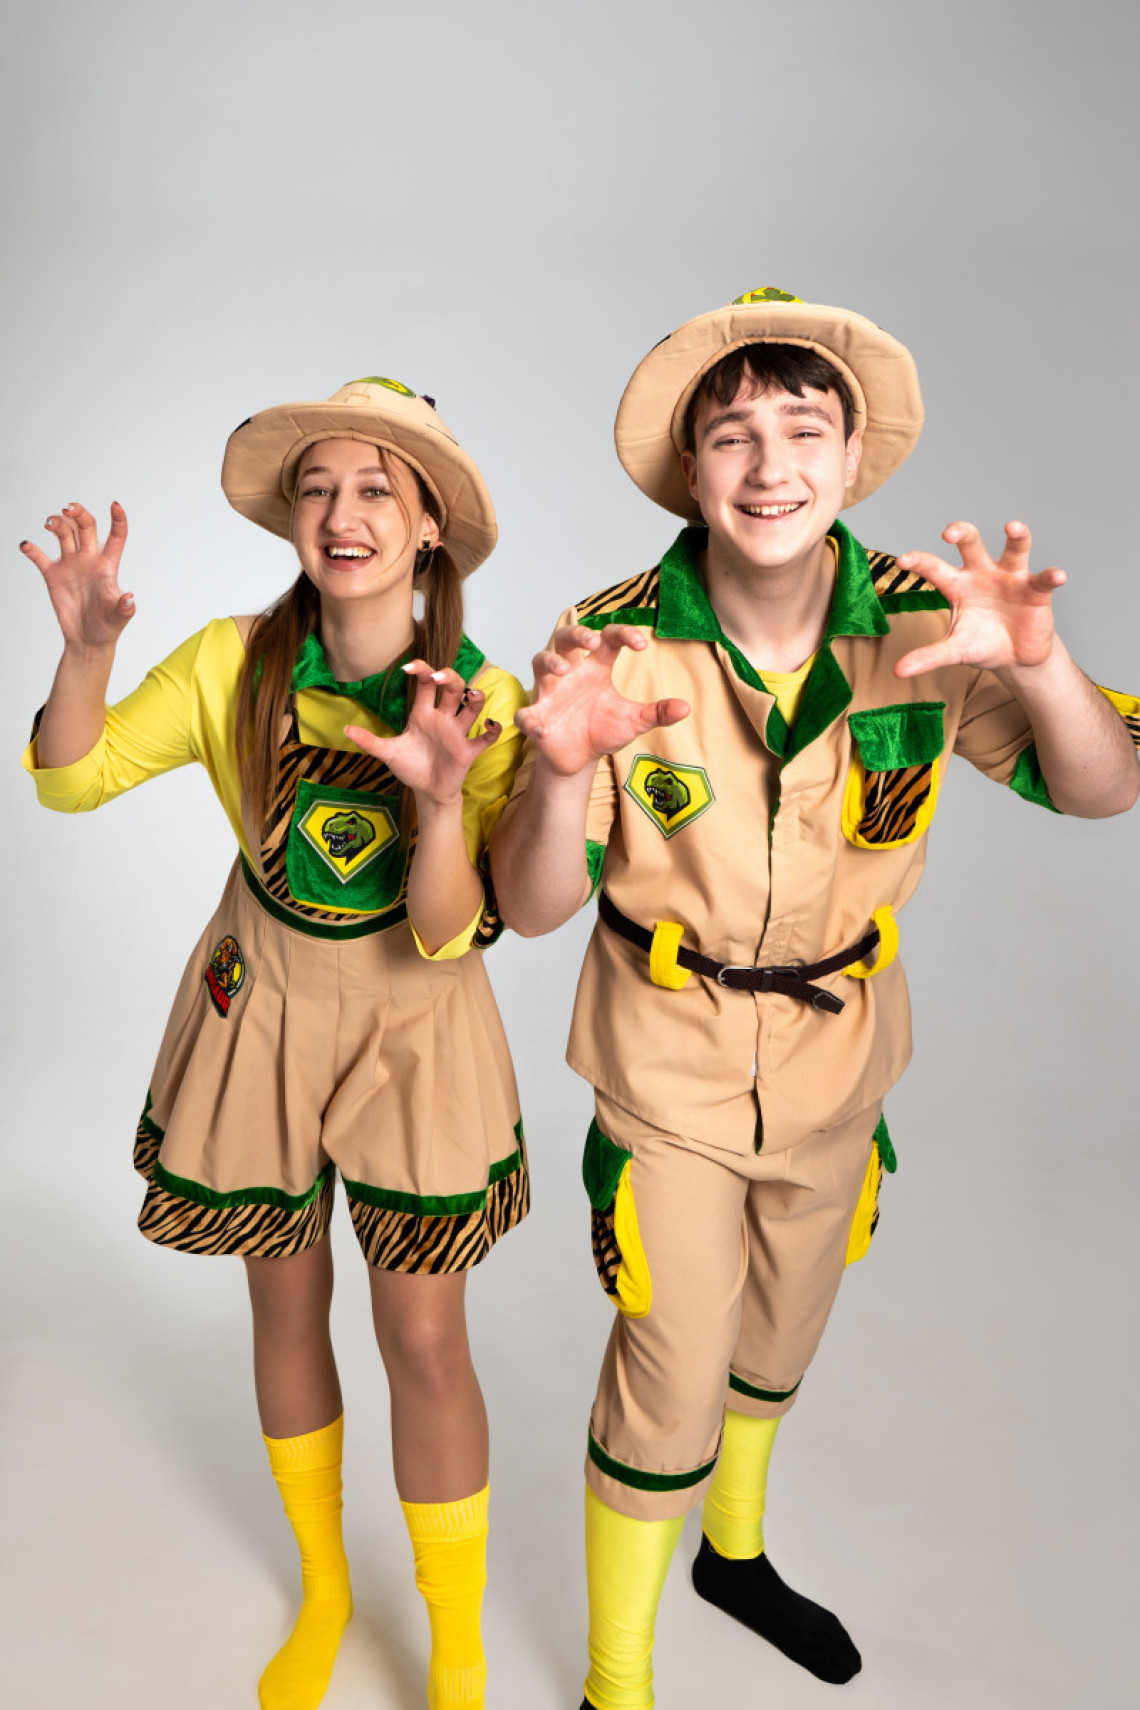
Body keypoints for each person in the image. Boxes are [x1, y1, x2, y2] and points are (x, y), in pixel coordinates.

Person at [490, 288, 1140, 1708]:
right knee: (673, 1365)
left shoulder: (926, 626)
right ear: (691, 468)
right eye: (732, 434)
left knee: (781, 1332)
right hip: (667, 1062)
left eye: (802, 429)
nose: (770, 465)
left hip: (843, 1063)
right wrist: (555, 770)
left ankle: (734, 1555)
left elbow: (1107, 787)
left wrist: (1041, 666)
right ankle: (615, 1680)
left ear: (854, 458)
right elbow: (532, 906)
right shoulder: (612, 642)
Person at [21, 377, 529, 1710]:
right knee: (285, 1300)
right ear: (292, 519)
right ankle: (325, 1588)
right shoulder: (228, 663)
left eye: (378, 490)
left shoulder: (485, 697)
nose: (343, 513)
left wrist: (439, 804)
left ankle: (458, 1647)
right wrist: (86, 653)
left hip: (417, 1024)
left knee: (423, 1335)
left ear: (429, 527)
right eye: (319, 489)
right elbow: (70, 778)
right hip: (262, 1014)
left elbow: (448, 931)